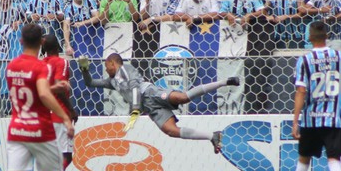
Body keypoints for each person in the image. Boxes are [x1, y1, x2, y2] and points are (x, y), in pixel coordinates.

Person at [0, 23, 85, 171]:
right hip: (40, 129)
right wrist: (66, 118)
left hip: (17, 127)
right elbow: (44, 95)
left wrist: (51, 89)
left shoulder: (11, 66)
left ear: (20, 41)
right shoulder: (41, 67)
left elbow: (29, 91)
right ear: (40, 44)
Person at [79, 53, 240, 153]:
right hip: (149, 108)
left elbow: (135, 87)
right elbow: (91, 83)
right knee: (171, 131)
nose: (106, 70)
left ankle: (225, 81)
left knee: (182, 97)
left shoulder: (126, 69)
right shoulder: (112, 81)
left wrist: (135, 108)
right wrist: (85, 70)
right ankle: (212, 136)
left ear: (113, 63)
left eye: (107, 66)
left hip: (150, 94)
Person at [290, 20, 341, 171]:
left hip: (310, 120)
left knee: (303, 162)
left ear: (309, 37)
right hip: (334, 119)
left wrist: (295, 120)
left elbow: (301, 90)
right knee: (335, 162)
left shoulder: (305, 60)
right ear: (327, 36)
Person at [32, 34, 78, 171]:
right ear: (58, 47)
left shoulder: (41, 64)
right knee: (66, 156)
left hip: (44, 114)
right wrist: (71, 110)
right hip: (59, 115)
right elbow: (60, 88)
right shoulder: (62, 63)